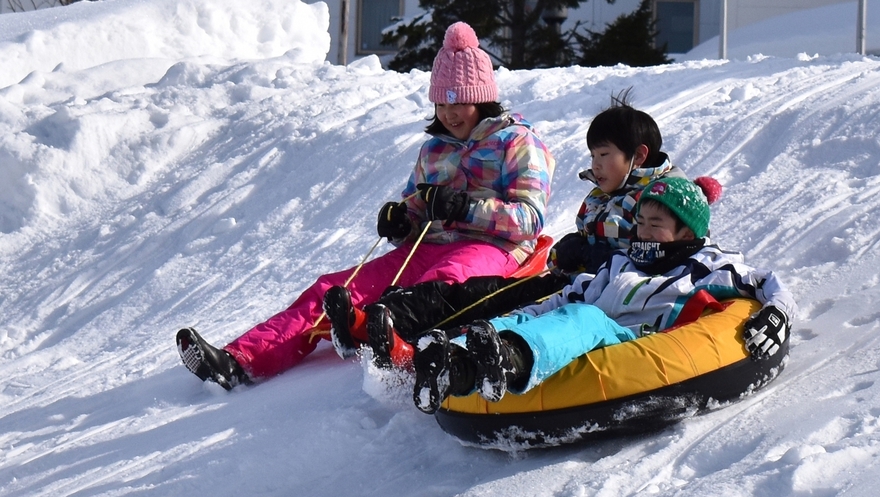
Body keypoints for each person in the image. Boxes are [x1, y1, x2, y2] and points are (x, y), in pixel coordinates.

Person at [175, 21, 555, 390]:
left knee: (439, 285)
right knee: (335, 288)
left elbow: (530, 220)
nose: (449, 113)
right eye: (441, 102)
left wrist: (464, 208)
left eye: (460, 102)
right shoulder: (434, 149)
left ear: (482, 97)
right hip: (428, 246)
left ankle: (386, 337)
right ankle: (239, 362)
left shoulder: (516, 141)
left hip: (492, 250)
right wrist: (401, 220)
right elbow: (417, 205)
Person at [324, 91, 697, 370]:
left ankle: (434, 352)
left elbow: (662, 257)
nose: (595, 166)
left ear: (639, 157)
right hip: (572, 280)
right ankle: (382, 318)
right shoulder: (606, 195)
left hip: (595, 295)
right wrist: (572, 248)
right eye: (592, 156)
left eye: (604, 156)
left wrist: (595, 255)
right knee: (474, 293)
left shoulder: (660, 204)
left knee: (490, 303)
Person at [409, 176, 798, 414]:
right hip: (581, 337)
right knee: (548, 312)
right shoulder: (621, 265)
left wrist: (777, 314)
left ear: (685, 233)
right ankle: (457, 363)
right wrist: (500, 323)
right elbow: (563, 299)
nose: (642, 232)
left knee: (587, 318)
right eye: (640, 222)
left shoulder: (706, 265)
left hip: (638, 343)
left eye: (656, 224)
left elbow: (767, 282)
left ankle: (508, 359)